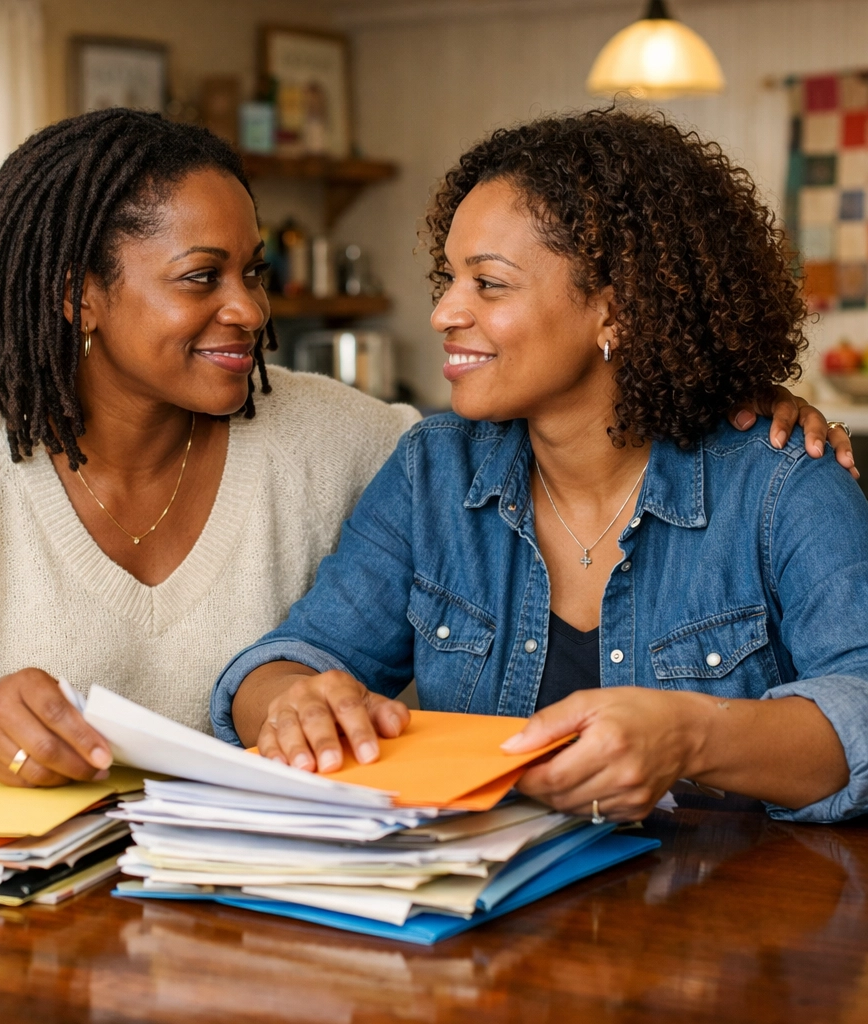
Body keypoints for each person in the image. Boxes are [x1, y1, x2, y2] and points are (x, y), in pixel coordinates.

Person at [217, 109, 868, 824]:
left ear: (615, 312)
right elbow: (293, 658)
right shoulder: (432, 470)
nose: (442, 312)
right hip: (489, 916)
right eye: (448, 278)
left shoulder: (784, 482)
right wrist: (292, 701)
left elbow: (860, 702)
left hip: (735, 918)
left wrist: (689, 736)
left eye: (488, 285)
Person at [0, 109, 418, 786]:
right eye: (202, 277)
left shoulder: (332, 434)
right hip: (29, 883)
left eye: (253, 273)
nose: (250, 310)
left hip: (250, 875)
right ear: (78, 295)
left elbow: (482, 468)